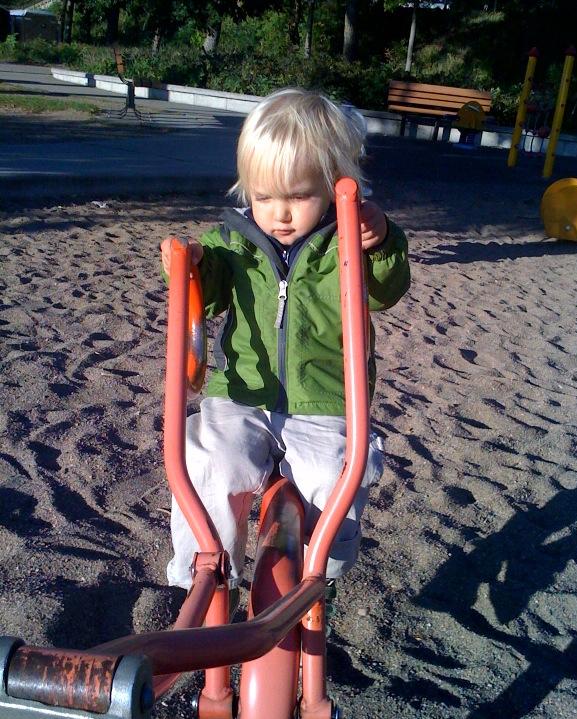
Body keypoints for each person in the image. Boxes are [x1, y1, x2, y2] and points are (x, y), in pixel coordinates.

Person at [160, 87, 410, 602]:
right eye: (264, 197)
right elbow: (208, 297)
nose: (280, 213)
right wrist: (193, 268)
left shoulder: (347, 241)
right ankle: (204, 575)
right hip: (242, 392)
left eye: (297, 197)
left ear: (335, 183)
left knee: (336, 474)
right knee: (210, 463)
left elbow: (385, 292)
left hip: (325, 398)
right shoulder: (233, 241)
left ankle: (322, 570)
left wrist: (381, 241)